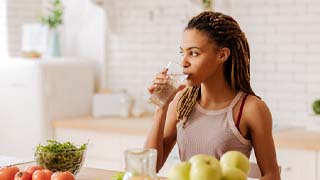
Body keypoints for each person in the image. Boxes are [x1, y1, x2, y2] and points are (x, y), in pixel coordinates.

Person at [145, 11, 280, 180]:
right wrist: (161, 106)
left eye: (194, 53)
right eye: (183, 53)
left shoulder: (251, 109)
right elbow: (149, 168)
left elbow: (271, 175)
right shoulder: (181, 101)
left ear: (222, 55)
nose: (184, 63)